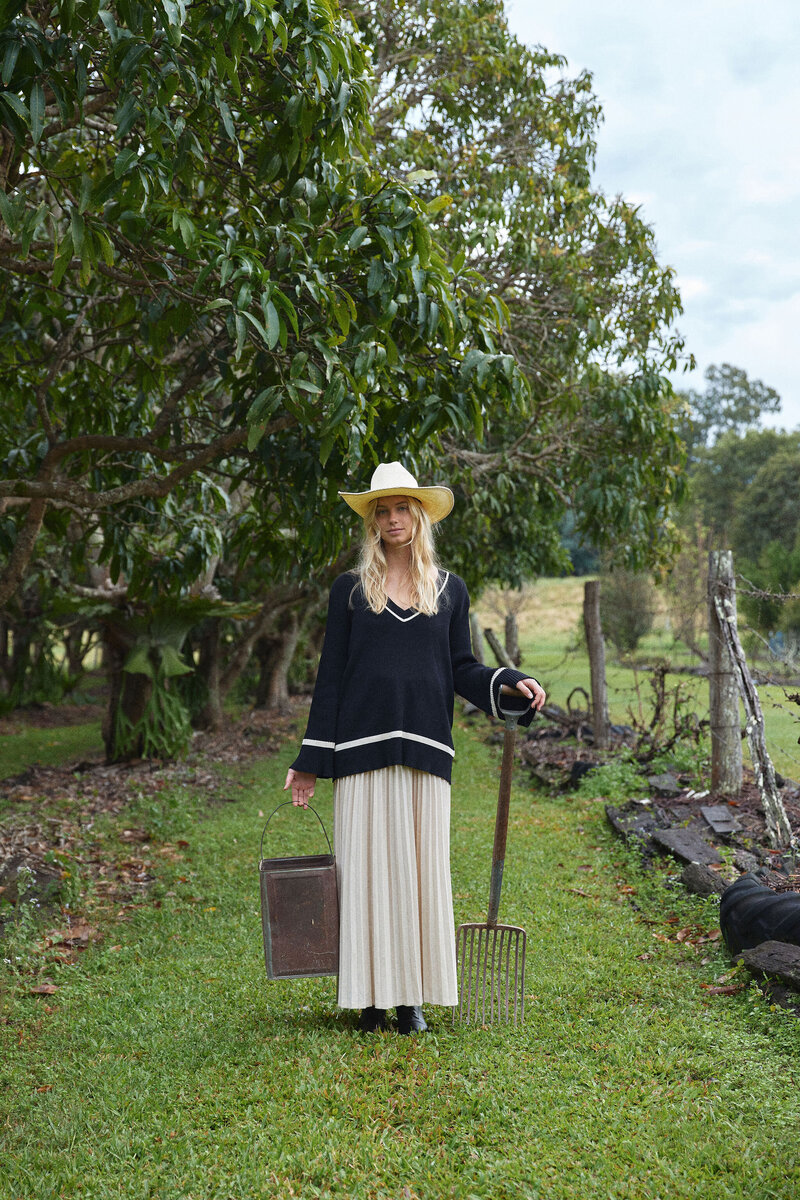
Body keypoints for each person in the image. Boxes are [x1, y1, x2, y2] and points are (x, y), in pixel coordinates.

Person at [284, 461, 546, 1034]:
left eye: (403, 508)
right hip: (360, 749)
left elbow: (462, 668)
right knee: (366, 873)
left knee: (419, 874)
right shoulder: (349, 591)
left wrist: (507, 684)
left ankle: (412, 1001)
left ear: (420, 515)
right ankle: (371, 1000)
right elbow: (330, 679)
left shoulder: (449, 590)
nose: (393, 518)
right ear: (372, 520)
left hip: (427, 749)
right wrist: (309, 761)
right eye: (383, 509)